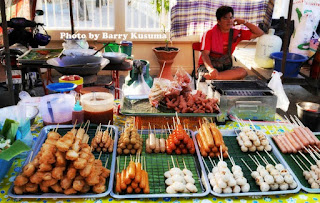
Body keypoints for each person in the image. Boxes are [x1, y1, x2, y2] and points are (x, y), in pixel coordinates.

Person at [198, 6, 264, 80]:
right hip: (207, 67)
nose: (229, 21)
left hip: (225, 68)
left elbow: (260, 33)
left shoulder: (236, 33)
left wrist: (244, 22)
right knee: (206, 73)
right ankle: (214, 76)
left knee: (243, 72)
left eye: (231, 18)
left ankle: (216, 77)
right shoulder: (209, 33)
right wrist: (211, 69)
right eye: (225, 18)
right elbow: (205, 55)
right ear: (218, 21)